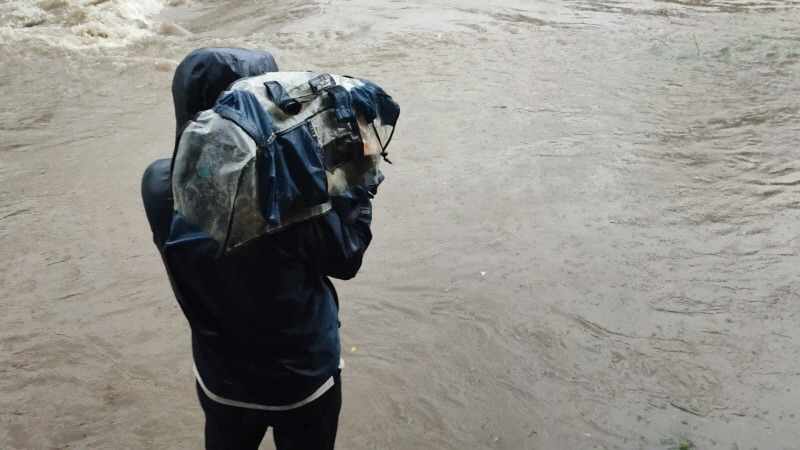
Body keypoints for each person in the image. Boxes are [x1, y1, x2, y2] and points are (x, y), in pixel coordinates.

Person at [141, 47, 377, 450]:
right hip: (303, 379)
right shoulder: (297, 199)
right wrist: (356, 181)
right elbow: (347, 258)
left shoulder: (162, 185)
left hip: (221, 376)